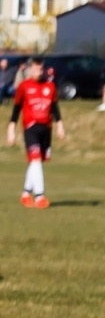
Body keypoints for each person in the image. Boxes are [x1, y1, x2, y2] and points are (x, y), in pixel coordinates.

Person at [7, 58, 66, 208]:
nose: (38, 72)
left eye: (40, 69)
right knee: (35, 160)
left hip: (46, 128)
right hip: (30, 127)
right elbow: (16, 108)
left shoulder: (50, 86)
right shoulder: (24, 86)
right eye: (35, 69)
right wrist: (11, 128)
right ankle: (40, 196)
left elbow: (54, 107)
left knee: (36, 162)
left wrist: (60, 125)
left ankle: (26, 194)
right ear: (29, 69)